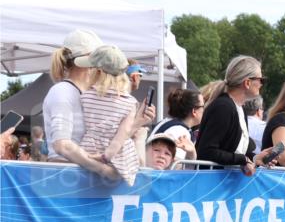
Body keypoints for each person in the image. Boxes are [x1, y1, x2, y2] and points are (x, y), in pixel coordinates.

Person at [43, 29, 137, 178]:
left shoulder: (90, 94)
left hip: (80, 175)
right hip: (66, 174)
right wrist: (103, 170)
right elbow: (62, 145)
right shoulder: (62, 91)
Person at [196, 56, 275, 174]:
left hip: (225, 184)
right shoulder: (223, 107)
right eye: (260, 80)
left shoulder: (239, 108)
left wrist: (255, 158)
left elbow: (233, 151)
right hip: (212, 184)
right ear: (247, 83)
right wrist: (242, 160)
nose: (261, 84)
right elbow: (207, 151)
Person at [78, 45, 142, 185]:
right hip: (119, 158)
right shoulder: (129, 102)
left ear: (98, 72)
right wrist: (106, 156)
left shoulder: (85, 97)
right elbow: (123, 134)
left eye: (90, 68)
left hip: (88, 150)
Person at [151, 88, 203, 161]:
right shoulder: (180, 131)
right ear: (194, 111)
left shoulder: (166, 122)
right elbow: (176, 166)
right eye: (202, 106)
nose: (204, 110)